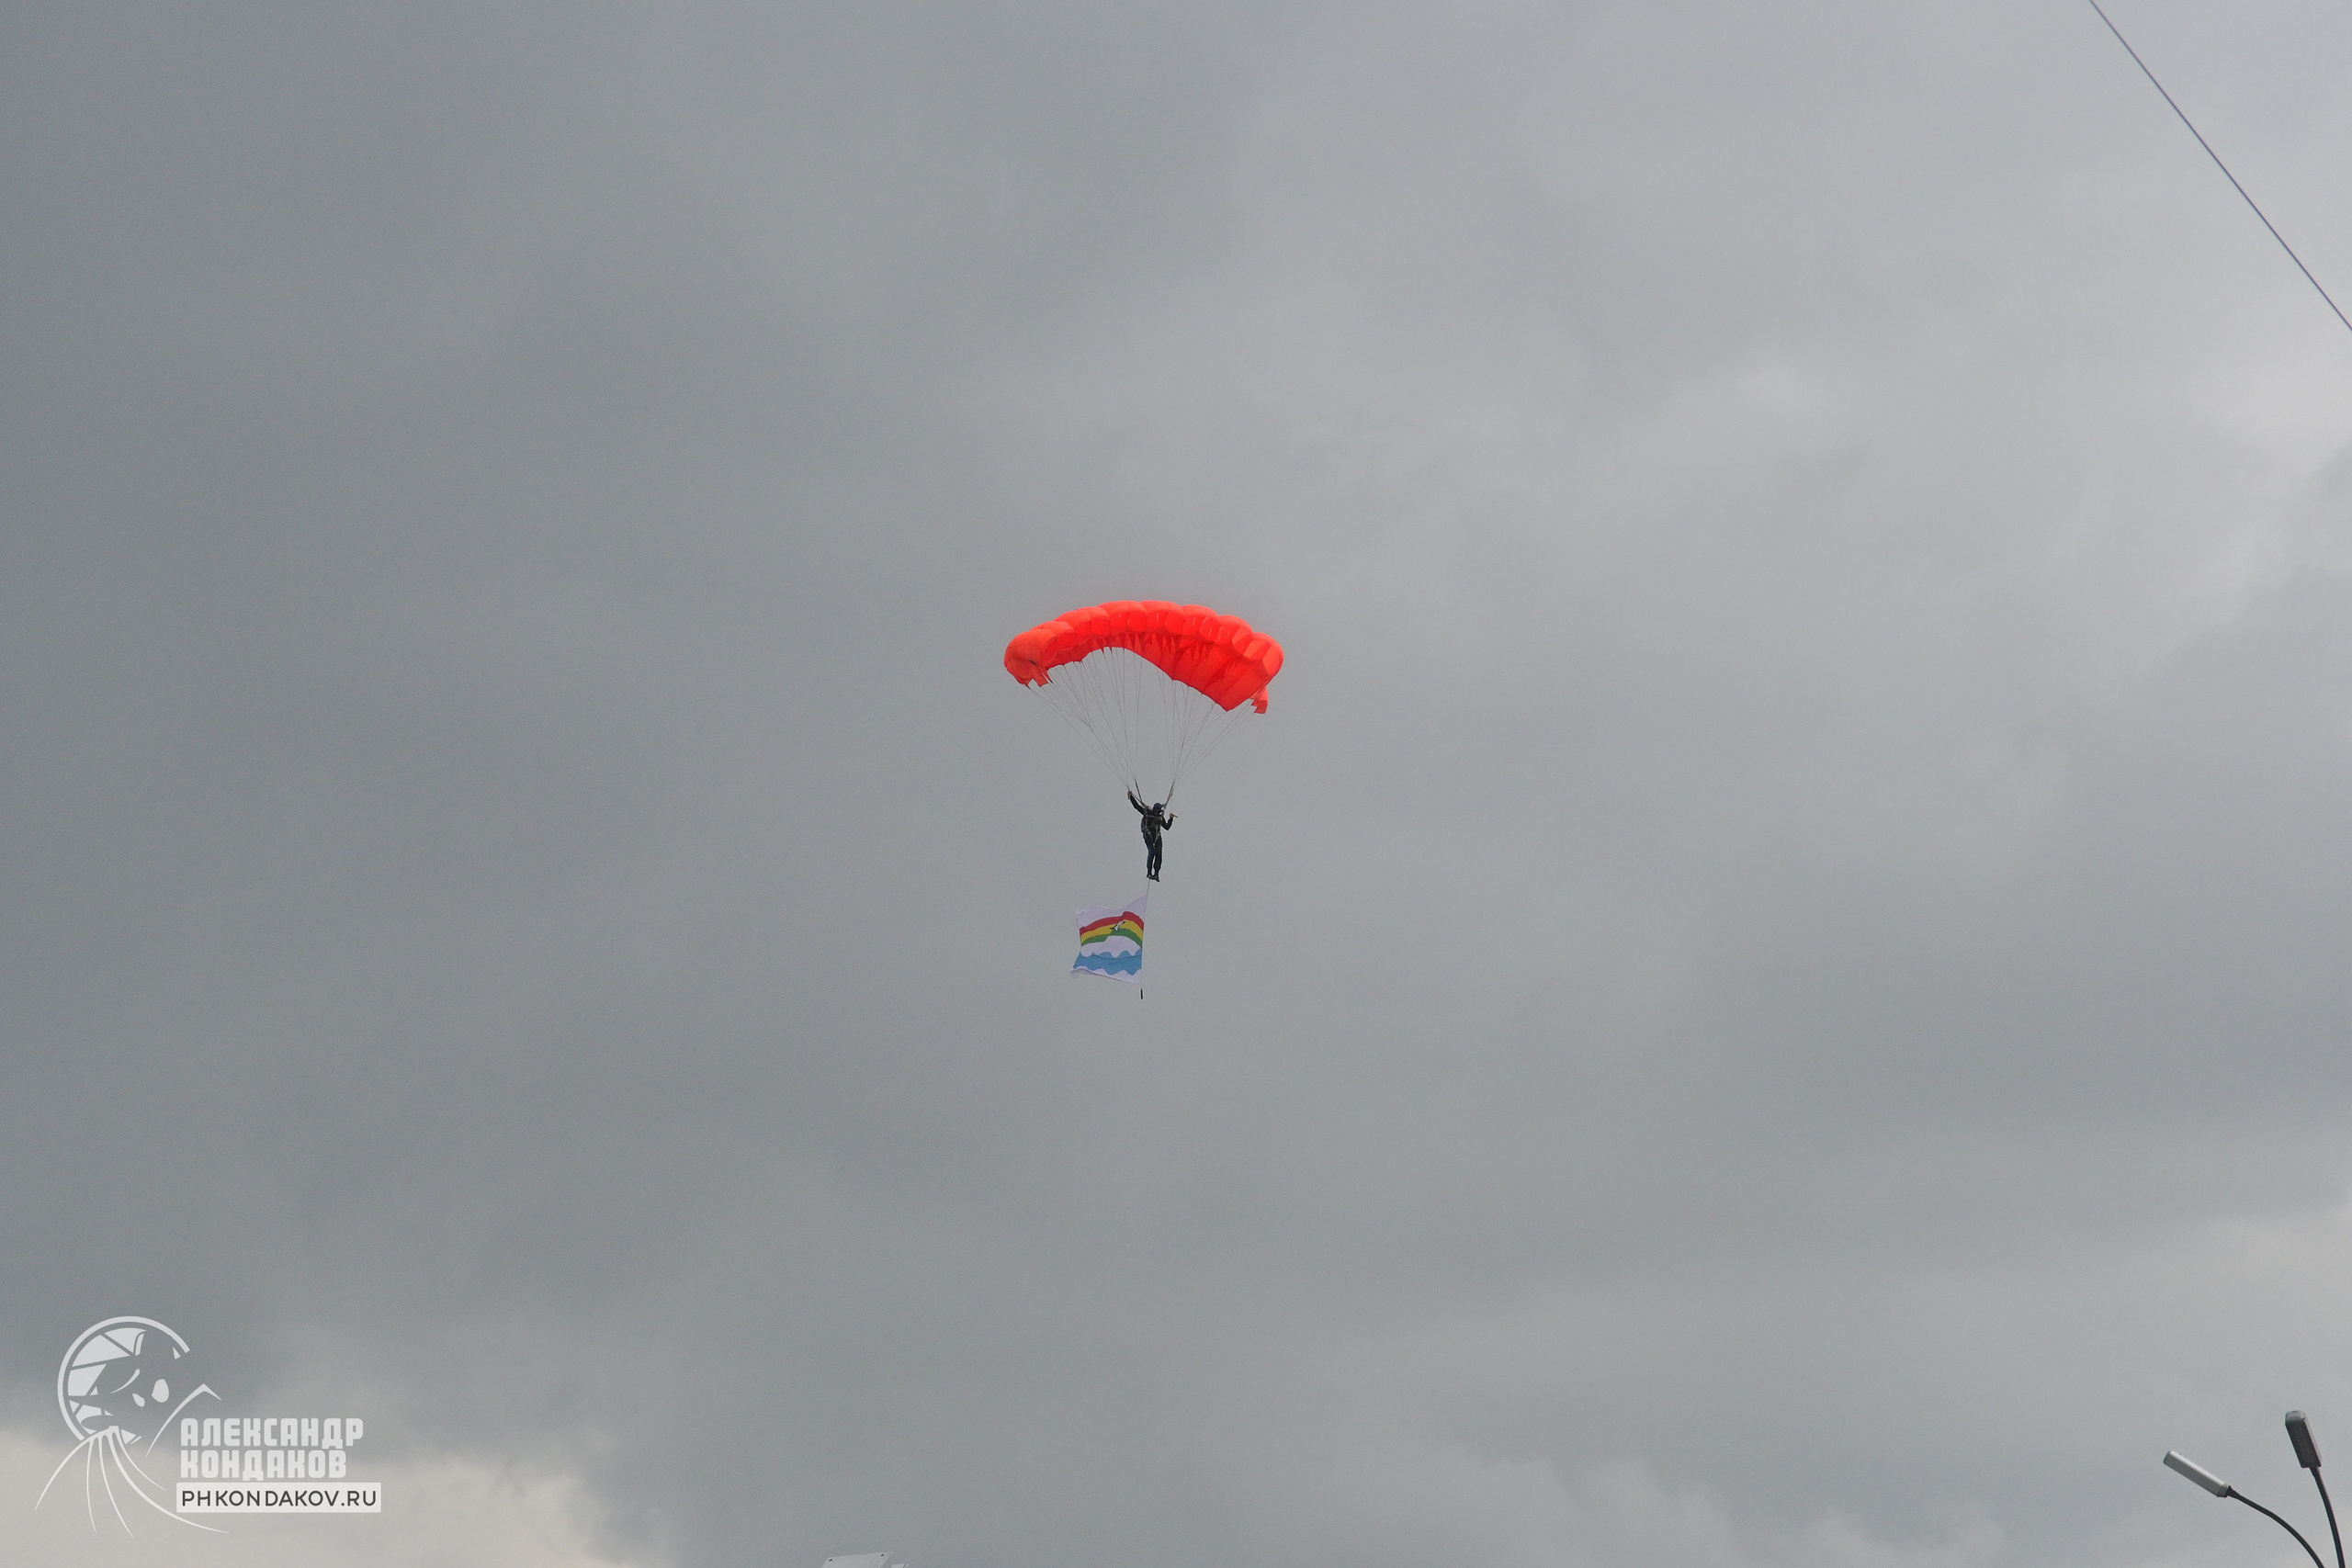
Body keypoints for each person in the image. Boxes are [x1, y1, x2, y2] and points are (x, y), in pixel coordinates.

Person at [1128, 789, 1175, 881]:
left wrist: (1171, 818)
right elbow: (1137, 807)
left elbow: (1166, 827)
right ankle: (1149, 872)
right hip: (1148, 834)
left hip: (1157, 835)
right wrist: (1131, 797)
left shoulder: (1160, 818)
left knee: (1159, 855)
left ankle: (1156, 874)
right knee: (1151, 852)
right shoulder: (1147, 813)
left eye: (1158, 812)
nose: (1156, 813)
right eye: (1156, 811)